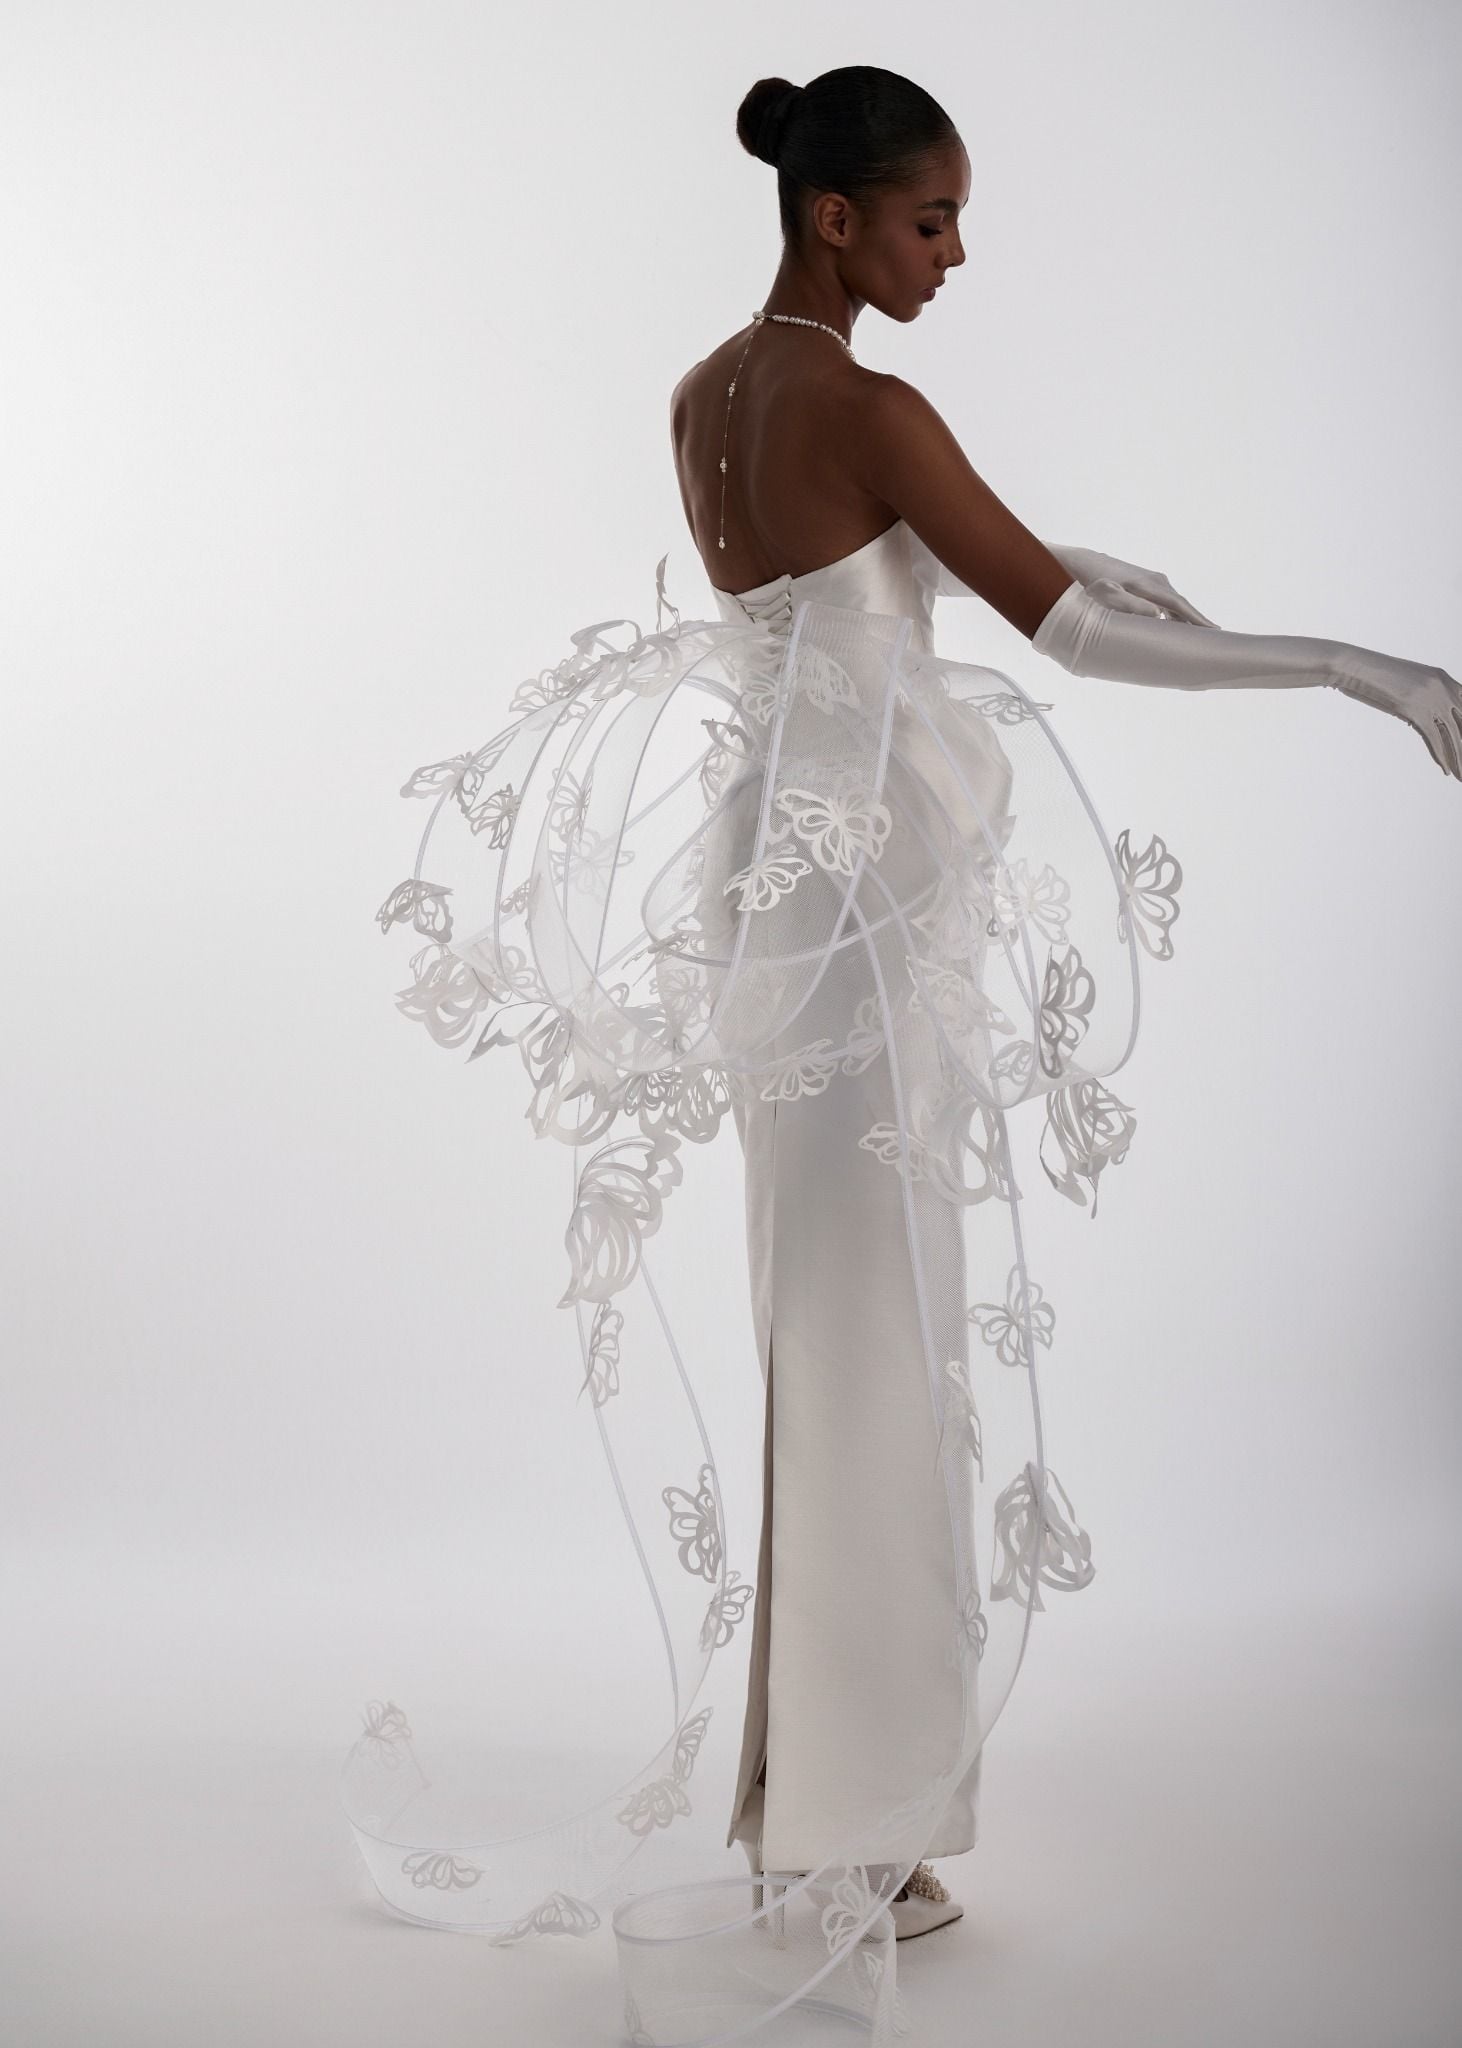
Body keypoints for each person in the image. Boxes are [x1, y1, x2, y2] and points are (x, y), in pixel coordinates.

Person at [355, 63, 1460, 2048]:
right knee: (872, 1346)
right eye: (930, 220)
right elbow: (1044, 625)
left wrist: (1074, 553)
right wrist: (1354, 667)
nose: (954, 256)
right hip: (857, 917)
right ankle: (847, 1836)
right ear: (837, 217)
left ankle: (830, 1811)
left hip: (781, 889)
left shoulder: (708, 394)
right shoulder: (867, 402)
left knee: (837, 1334)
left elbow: (861, 583)